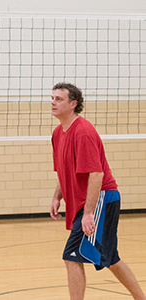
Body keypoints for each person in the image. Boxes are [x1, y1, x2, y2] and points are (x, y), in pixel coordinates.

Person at [48, 82, 145, 300]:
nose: (53, 102)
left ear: (73, 104)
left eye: (59, 99)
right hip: (91, 201)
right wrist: (57, 197)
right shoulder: (57, 134)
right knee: (111, 259)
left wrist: (89, 213)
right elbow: (64, 171)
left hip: (102, 198)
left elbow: (97, 174)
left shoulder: (82, 131)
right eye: (52, 98)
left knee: (71, 256)